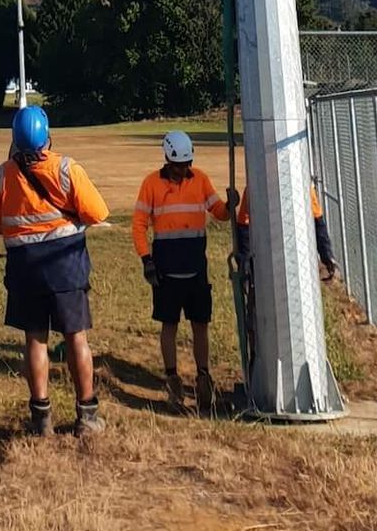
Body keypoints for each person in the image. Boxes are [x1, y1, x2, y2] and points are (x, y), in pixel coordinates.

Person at [0, 103, 110, 438]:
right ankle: (87, 416)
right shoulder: (67, 168)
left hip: (25, 270)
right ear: (48, 136)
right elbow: (98, 212)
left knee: (35, 340)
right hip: (65, 268)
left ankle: (41, 419)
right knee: (76, 337)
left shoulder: (4, 174)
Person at [130, 129, 229, 414]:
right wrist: (146, 260)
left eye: (186, 165)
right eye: (177, 166)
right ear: (167, 159)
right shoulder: (151, 184)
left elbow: (218, 213)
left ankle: (203, 378)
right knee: (169, 324)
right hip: (166, 269)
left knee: (200, 324)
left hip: (195, 266)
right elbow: (138, 224)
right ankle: (172, 378)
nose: (182, 171)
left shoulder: (200, 179)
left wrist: (231, 204)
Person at [231, 174, 337, 368]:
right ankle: (258, 362)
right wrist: (245, 265)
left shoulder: (303, 186)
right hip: (264, 265)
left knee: (299, 315)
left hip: (295, 264)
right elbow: (244, 226)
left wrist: (326, 255)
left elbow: (317, 221)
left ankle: (304, 360)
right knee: (257, 316)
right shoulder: (256, 187)